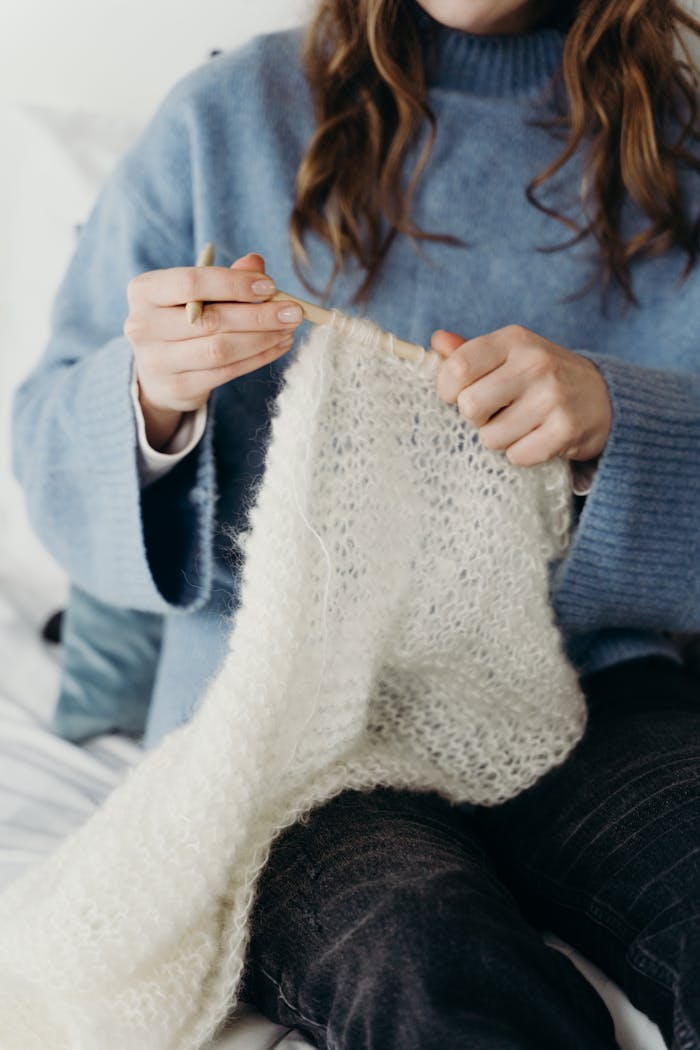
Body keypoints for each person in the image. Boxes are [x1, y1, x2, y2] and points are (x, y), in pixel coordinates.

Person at [11, 0, 700, 1045]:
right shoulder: (222, 119)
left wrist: (620, 424)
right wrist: (151, 401)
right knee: (419, 957)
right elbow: (48, 460)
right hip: (284, 723)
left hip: (602, 696)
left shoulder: (683, 140)